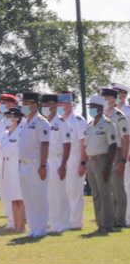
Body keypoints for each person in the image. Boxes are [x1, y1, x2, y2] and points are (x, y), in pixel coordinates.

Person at [17, 92, 50, 238]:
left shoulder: (41, 122)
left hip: (36, 164)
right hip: (23, 164)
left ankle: (41, 228)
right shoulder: (24, 122)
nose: (23, 107)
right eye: (23, 104)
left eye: (26, 104)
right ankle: (33, 227)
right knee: (28, 199)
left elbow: (45, 144)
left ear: (35, 106)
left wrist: (42, 166)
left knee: (39, 198)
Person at [84, 95, 118, 233]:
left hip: (102, 159)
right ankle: (100, 223)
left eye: (93, 107)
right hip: (91, 160)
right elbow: (86, 144)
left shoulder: (108, 124)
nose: (91, 110)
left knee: (105, 193)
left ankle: (107, 225)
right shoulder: (90, 125)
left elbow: (113, 145)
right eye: (90, 107)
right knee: (96, 193)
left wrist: (109, 165)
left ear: (100, 108)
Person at [41, 94, 72, 233]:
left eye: (47, 105)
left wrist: (63, 164)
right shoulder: (43, 122)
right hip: (46, 160)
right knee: (50, 195)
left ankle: (64, 223)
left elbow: (67, 145)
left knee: (60, 193)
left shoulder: (62, 122)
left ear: (54, 106)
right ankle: (53, 223)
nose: (45, 108)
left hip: (58, 159)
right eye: (43, 105)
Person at [58, 92, 88, 230]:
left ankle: (75, 222)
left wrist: (83, 162)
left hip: (74, 157)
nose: (59, 107)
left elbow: (84, 143)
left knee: (74, 190)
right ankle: (63, 220)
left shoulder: (78, 120)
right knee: (61, 190)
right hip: (61, 157)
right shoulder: (58, 120)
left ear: (69, 105)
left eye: (62, 104)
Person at [101, 87, 129, 229]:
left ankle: (120, 219)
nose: (104, 101)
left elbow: (125, 139)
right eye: (103, 99)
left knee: (117, 187)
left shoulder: (120, 116)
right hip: (103, 153)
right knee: (106, 187)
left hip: (116, 152)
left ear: (113, 100)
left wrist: (123, 160)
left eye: (106, 99)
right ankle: (108, 218)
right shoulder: (100, 117)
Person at [1, 107, 27, 233]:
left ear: (17, 118)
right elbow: (3, 150)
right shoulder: (6, 133)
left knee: (19, 198)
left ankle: (22, 225)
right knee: (12, 198)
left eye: (10, 117)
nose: (8, 119)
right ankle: (16, 225)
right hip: (8, 165)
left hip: (17, 164)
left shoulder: (21, 131)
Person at [0, 94, 18, 229]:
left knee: (15, 190)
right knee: (4, 190)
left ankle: (18, 219)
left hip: (13, 158)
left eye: (4, 103)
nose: (2, 105)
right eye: (1, 103)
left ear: (12, 105)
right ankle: (10, 218)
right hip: (0, 158)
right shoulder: (1, 122)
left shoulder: (15, 119)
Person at [110, 81, 130, 226]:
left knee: (127, 184)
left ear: (123, 95)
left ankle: (126, 217)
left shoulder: (128, 111)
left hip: (126, 152)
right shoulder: (110, 112)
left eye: (118, 94)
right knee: (115, 185)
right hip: (113, 151)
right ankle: (117, 216)